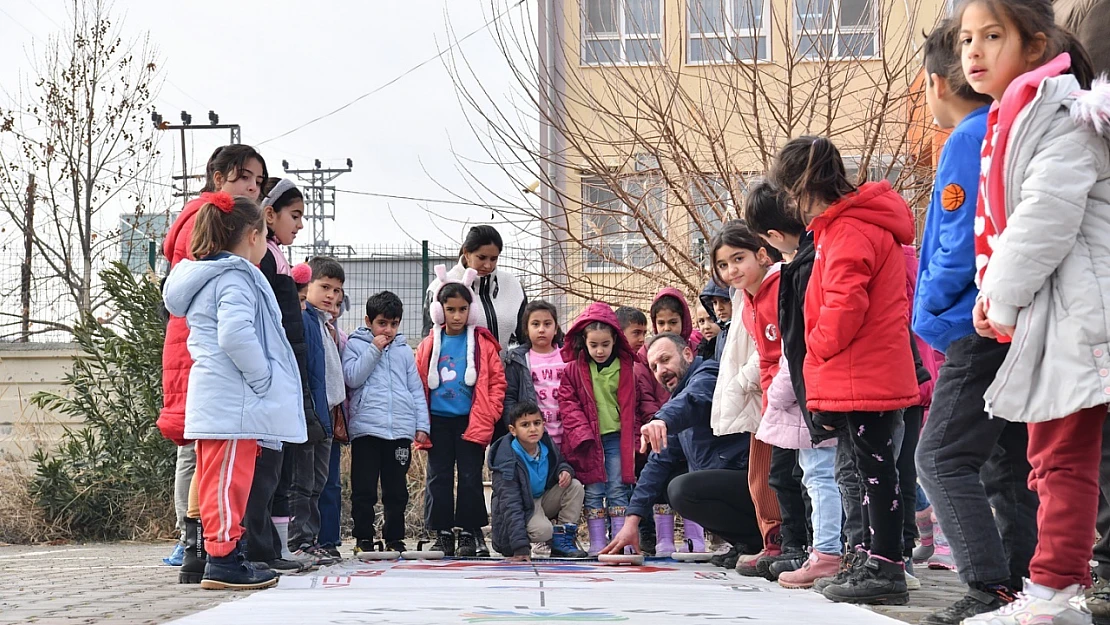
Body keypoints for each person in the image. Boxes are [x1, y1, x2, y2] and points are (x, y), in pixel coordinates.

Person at [955, 0, 1107, 622]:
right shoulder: (1013, 117)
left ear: (1037, 46)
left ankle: (1053, 593)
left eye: (993, 36)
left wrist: (998, 294)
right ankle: (1058, 589)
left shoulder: (1061, 117)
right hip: (1056, 310)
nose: (974, 51)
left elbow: (1045, 217)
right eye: (966, 38)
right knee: (1053, 457)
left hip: (1078, 312)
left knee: (1060, 458)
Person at [910, 18, 1041, 625]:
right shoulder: (1004, 126)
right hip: (1009, 318)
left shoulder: (968, 136)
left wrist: (931, 304)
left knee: (939, 456)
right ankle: (1020, 579)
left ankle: (988, 583)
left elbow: (958, 239)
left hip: (971, 319)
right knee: (1005, 459)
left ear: (937, 83)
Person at [770, 136, 918, 605]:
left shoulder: (850, 229)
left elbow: (843, 303)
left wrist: (815, 346)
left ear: (803, 186)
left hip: (863, 369)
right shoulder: (842, 227)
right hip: (862, 369)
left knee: (875, 471)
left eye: (790, 194)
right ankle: (868, 557)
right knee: (863, 467)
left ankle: (886, 564)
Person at [161, 191, 306, 589]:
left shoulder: (213, 277)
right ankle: (225, 558)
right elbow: (236, 334)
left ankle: (220, 552)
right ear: (253, 236)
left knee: (214, 479)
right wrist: (262, 378)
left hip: (219, 397)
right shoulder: (235, 278)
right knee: (231, 480)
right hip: (234, 399)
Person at [159, 145, 267, 583]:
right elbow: (231, 329)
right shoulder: (211, 228)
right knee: (202, 455)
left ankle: (205, 552)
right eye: (245, 178)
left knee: (206, 455)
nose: (252, 188)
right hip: (203, 359)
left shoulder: (216, 234)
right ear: (219, 177)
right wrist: (261, 373)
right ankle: (202, 548)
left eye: (258, 182)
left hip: (201, 357)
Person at [744, 183, 843, 588]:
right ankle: (825, 549)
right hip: (809, 385)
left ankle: (828, 551)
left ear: (770, 238)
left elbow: (798, 343)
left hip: (813, 388)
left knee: (822, 476)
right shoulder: (809, 257)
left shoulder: (803, 265)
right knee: (816, 475)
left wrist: (781, 396)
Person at [601, 333, 761, 559]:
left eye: (665, 360)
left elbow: (694, 399)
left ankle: (761, 539)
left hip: (752, 482)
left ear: (687, 353)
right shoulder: (676, 402)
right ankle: (748, 544)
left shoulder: (710, 374)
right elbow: (658, 462)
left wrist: (662, 419)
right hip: (728, 482)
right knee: (660, 479)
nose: (661, 371)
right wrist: (632, 521)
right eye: (654, 367)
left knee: (682, 489)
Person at [710, 221, 796, 577]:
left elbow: (773, 348)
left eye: (738, 259)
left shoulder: (775, 289)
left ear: (761, 253)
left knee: (785, 476)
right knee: (761, 476)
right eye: (723, 265)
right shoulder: (744, 297)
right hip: (761, 397)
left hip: (779, 394)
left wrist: (745, 381)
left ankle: (792, 544)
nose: (731, 270)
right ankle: (773, 541)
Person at [242, 178, 315, 574]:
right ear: (268, 215)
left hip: (284, 374)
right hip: (269, 379)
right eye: (295, 215)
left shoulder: (276, 258)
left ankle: (270, 548)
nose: (300, 224)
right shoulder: (264, 261)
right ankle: (258, 549)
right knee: (266, 468)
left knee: (278, 468)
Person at [416, 265, 506, 558]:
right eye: (450, 309)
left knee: (470, 476)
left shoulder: (483, 345)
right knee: (438, 476)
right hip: (438, 421)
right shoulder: (428, 344)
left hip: (471, 421)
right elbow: (417, 382)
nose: (456, 316)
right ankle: (441, 532)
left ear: (471, 310)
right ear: (439, 311)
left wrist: (490, 413)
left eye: (462, 309)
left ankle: (470, 531)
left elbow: (496, 382)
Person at [557, 302, 660, 555]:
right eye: (594, 345)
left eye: (605, 344)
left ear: (615, 340)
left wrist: (640, 434)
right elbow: (567, 403)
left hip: (617, 439)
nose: (600, 350)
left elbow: (637, 406)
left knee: (618, 488)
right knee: (593, 490)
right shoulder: (572, 370)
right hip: (588, 442)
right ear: (584, 341)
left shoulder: (628, 370)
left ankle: (619, 542)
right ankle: (597, 542)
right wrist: (582, 434)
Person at [343, 291, 429, 555]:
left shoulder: (404, 351)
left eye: (394, 324)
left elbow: (415, 389)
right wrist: (374, 349)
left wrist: (422, 425)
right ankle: (364, 538)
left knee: (396, 490)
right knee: (364, 488)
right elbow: (352, 378)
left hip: (399, 432)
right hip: (367, 430)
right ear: (369, 321)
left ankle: (395, 538)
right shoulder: (356, 345)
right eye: (382, 323)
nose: (388, 330)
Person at [287, 256, 346, 567]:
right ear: (306, 285)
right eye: (324, 287)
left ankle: (310, 540)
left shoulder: (326, 324)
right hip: (309, 416)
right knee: (303, 481)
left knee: (319, 481)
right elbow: (309, 372)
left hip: (326, 417)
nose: (332, 296)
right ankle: (298, 541)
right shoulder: (306, 320)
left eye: (337, 291)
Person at [489, 401, 587, 560]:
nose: (533, 429)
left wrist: (564, 471)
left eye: (537, 423)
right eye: (525, 425)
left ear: (544, 424)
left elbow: (560, 462)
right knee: (544, 531)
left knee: (575, 486)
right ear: (513, 430)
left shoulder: (545, 445)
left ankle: (561, 542)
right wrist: (519, 547)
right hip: (521, 506)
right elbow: (510, 504)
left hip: (541, 498)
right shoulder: (506, 459)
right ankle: (527, 539)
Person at [502, 301, 567, 445]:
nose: (541, 329)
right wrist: (517, 431)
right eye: (535, 324)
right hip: (534, 439)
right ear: (526, 329)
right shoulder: (518, 360)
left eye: (547, 324)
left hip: (567, 436)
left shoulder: (568, 357)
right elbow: (510, 397)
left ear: (556, 328)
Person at [698, 280, 732, 362]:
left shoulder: (745, 328)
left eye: (724, 300)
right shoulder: (723, 333)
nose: (719, 308)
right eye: (715, 302)